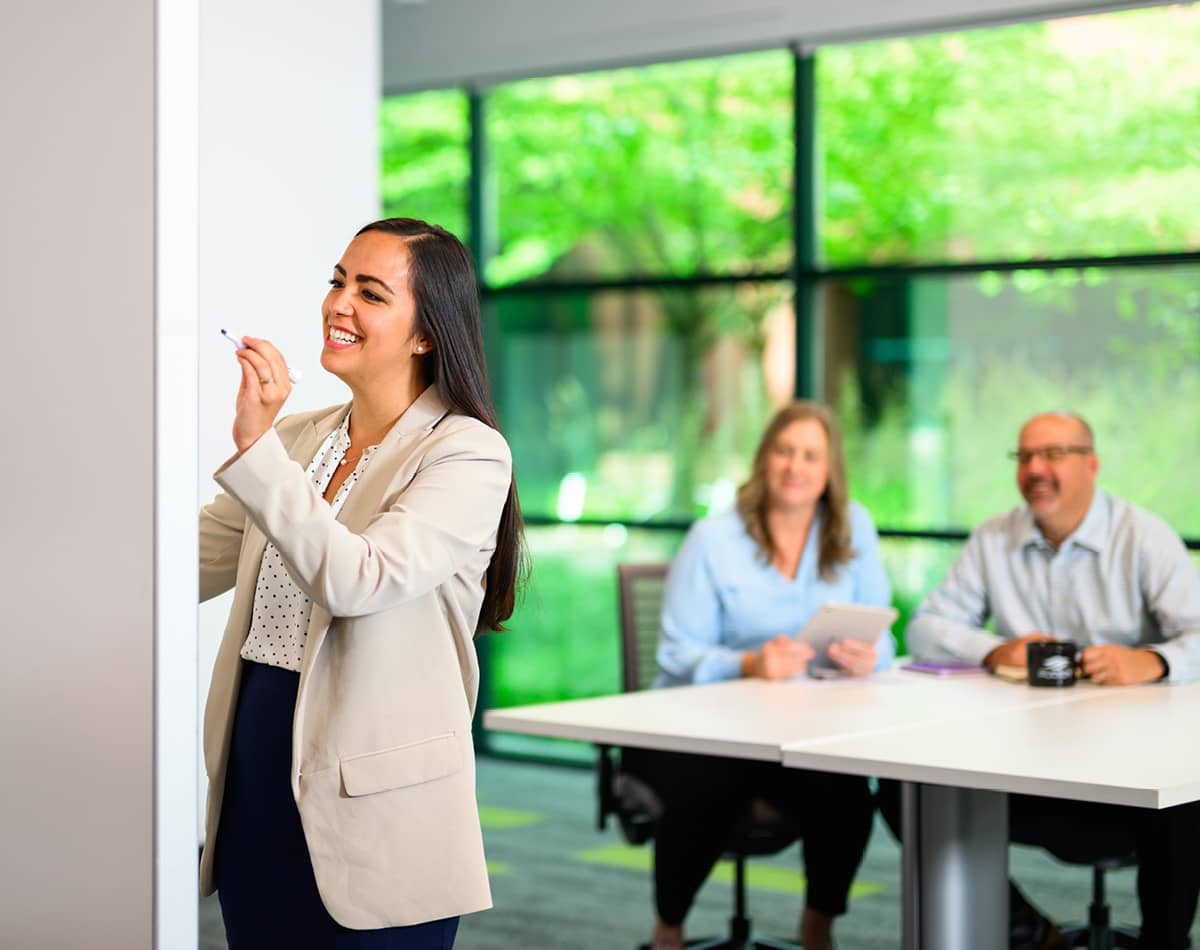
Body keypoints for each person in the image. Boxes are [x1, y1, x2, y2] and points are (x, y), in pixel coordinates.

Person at [197, 217, 525, 949]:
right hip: (258, 772)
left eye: (371, 293)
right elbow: (186, 562)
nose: (340, 303)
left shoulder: (468, 453)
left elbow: (358, 580)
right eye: (337, 281)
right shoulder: (297, 440)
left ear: (424, 334)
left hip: (381, 806)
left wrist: (256, 450)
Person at [902, 410, 1200, 949]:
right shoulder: (994, 538)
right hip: (1024, 764)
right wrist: (995, 648)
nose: (1036, 468)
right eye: (1025, 457)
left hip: (1125, 775)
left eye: (1053, 454)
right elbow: (924, 628)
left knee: (1183, 804)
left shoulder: (1143, 538)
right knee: (908, 791)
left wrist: (1154, 661)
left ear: (1092, 464)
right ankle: (1025, 928)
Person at [633, 401, 895, 950]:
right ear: (763, 460)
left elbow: (883, 633)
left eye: (810, 456)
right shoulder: (714, 538)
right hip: (706, 730)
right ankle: (668, 931)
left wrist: (872, 656)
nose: (795, 466)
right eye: (784, 451)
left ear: (829, 472)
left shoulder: (854, 530)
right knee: (708, 788)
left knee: (849, 798)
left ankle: (817, 928)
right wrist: (749, 664)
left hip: (801, 730)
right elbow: (677, 654)